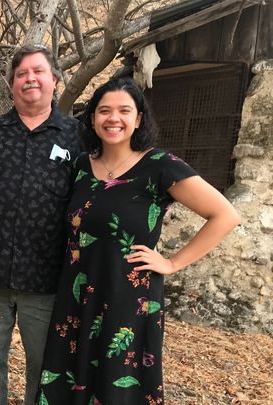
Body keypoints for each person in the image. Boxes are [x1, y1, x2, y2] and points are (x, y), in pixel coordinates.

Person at [36, 78, 240, 404]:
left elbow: (225, 215)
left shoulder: (159, 166)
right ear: (92, 118)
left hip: (128, 295)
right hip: (77, 292)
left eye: (124, 110)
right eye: (104, 110)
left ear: (139, 118)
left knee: (118, 383)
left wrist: (172, 262)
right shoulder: (80, 166)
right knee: (70, 378)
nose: (113, 118)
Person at [0, 45, 85, 405]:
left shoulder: (76, 135)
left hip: (48, 277)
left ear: (55, 79)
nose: (30, 79)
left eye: (38, 71)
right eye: (21, 74)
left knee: (45, 367)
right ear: (11, 84)